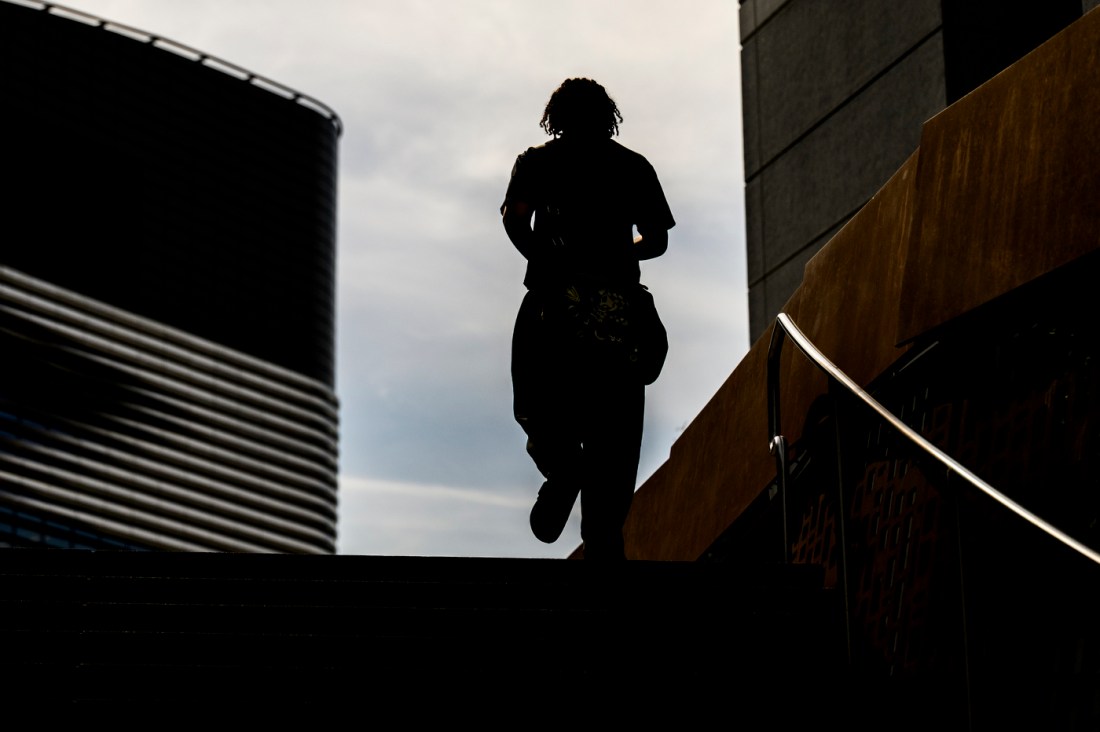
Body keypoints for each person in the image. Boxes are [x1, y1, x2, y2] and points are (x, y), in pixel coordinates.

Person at [500, 78, 675, 560]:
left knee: (538, 400)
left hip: (552, 308)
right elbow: (657, 238)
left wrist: (547, 258)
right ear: (608, 115)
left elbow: (515, 221)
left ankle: (563, 471)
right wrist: (620, 253)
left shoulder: (535, 163)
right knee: (616, 433)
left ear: (555, 117)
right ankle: (603, 546)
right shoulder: (633, 167)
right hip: (617, 316)